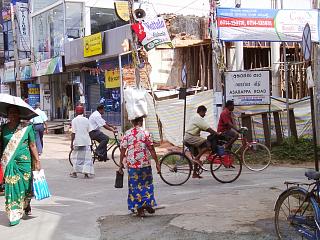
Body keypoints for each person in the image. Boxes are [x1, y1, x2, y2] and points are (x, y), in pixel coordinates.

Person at [1, 106, 40, 226]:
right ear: (7, 115)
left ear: (19, 114)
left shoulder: (27, 127)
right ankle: (14, 214)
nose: (12, 115)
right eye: (10, 113)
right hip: (9, 162)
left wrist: (37, 161)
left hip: (25, 162)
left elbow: (32, 145)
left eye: (15, 113)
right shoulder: (3, 128)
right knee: (11, 187)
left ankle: (26, 204)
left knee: (26, 187)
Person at [119, 116, 161, 217]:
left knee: (134, 187)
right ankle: (146, 203)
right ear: (141, 121)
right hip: (145, 164)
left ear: (132, 122)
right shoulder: (146, 133)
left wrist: (120, 164)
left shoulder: (127, 134)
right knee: (147, 185)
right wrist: (157, 162)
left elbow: (123, 150)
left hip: (133, 165)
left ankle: (140, 209)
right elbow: (151, 149)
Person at [184, 105, 220, 178]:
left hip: (190, 137)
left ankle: (194, 173)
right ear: (201, 111)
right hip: (190, 137)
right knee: (208, 144)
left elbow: (204, 128)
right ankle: (196, 159)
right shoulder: (198, 118)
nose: (205, 114)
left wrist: (211, 132)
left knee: (197, 155)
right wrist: (216, 133)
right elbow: (207, 128)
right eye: (204, 112)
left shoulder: (195, 117)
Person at [70, 105, 94, 178]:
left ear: (75, 112)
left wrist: (71, 143)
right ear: (83, 111)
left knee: (76, 158)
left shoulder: (74, 120)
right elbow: (90, 131)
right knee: (87, 159)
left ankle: (74, 173)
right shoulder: (86, 120)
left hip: (77, 141)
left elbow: (73, 133)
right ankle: (86, 174)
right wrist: (91, 140)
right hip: (86, 141)